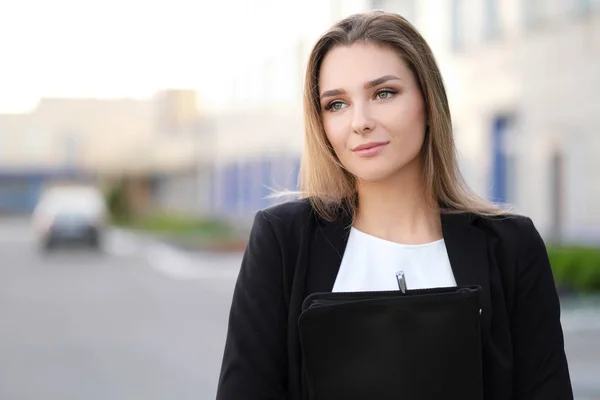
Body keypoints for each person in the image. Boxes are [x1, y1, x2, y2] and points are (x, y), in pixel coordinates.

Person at [216, 11, 573, 400]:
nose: (360, 122)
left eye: (384, 93)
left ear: (428, 101)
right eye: (336, 104)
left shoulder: (510, 246)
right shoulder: (283, 241)